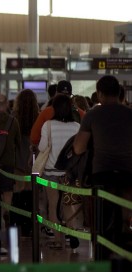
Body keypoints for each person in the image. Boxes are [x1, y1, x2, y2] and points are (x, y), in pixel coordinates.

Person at [74, 75, 132, 261]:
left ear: (99, 94)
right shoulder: (129, 114)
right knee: (124, 221)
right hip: (127, 175)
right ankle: (123, 266)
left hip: (102, 175)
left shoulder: (92, 115)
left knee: (103, 223)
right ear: (119, 93)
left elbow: (78, 148)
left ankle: (103, 269)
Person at [38, 94, 80, 249]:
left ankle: (57, 240)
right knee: (69, 204)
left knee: (53, 206)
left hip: (51, 172)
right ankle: (73, 233)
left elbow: (42, 147)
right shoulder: (76, 126)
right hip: (69, 173)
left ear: (53, 108)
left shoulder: (48, 125)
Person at [31, 80, 86, 147]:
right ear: (71, 96)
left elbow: (34, 138)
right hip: (72, 155)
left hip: (51, 155)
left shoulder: (46, 112)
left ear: (56, 94)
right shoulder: (81, 114)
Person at [12, 89, 39, 178]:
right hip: (35, 152)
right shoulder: (38, 117)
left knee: (19, 182)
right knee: (32, 183)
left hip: (18, 153)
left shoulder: (14, 117)